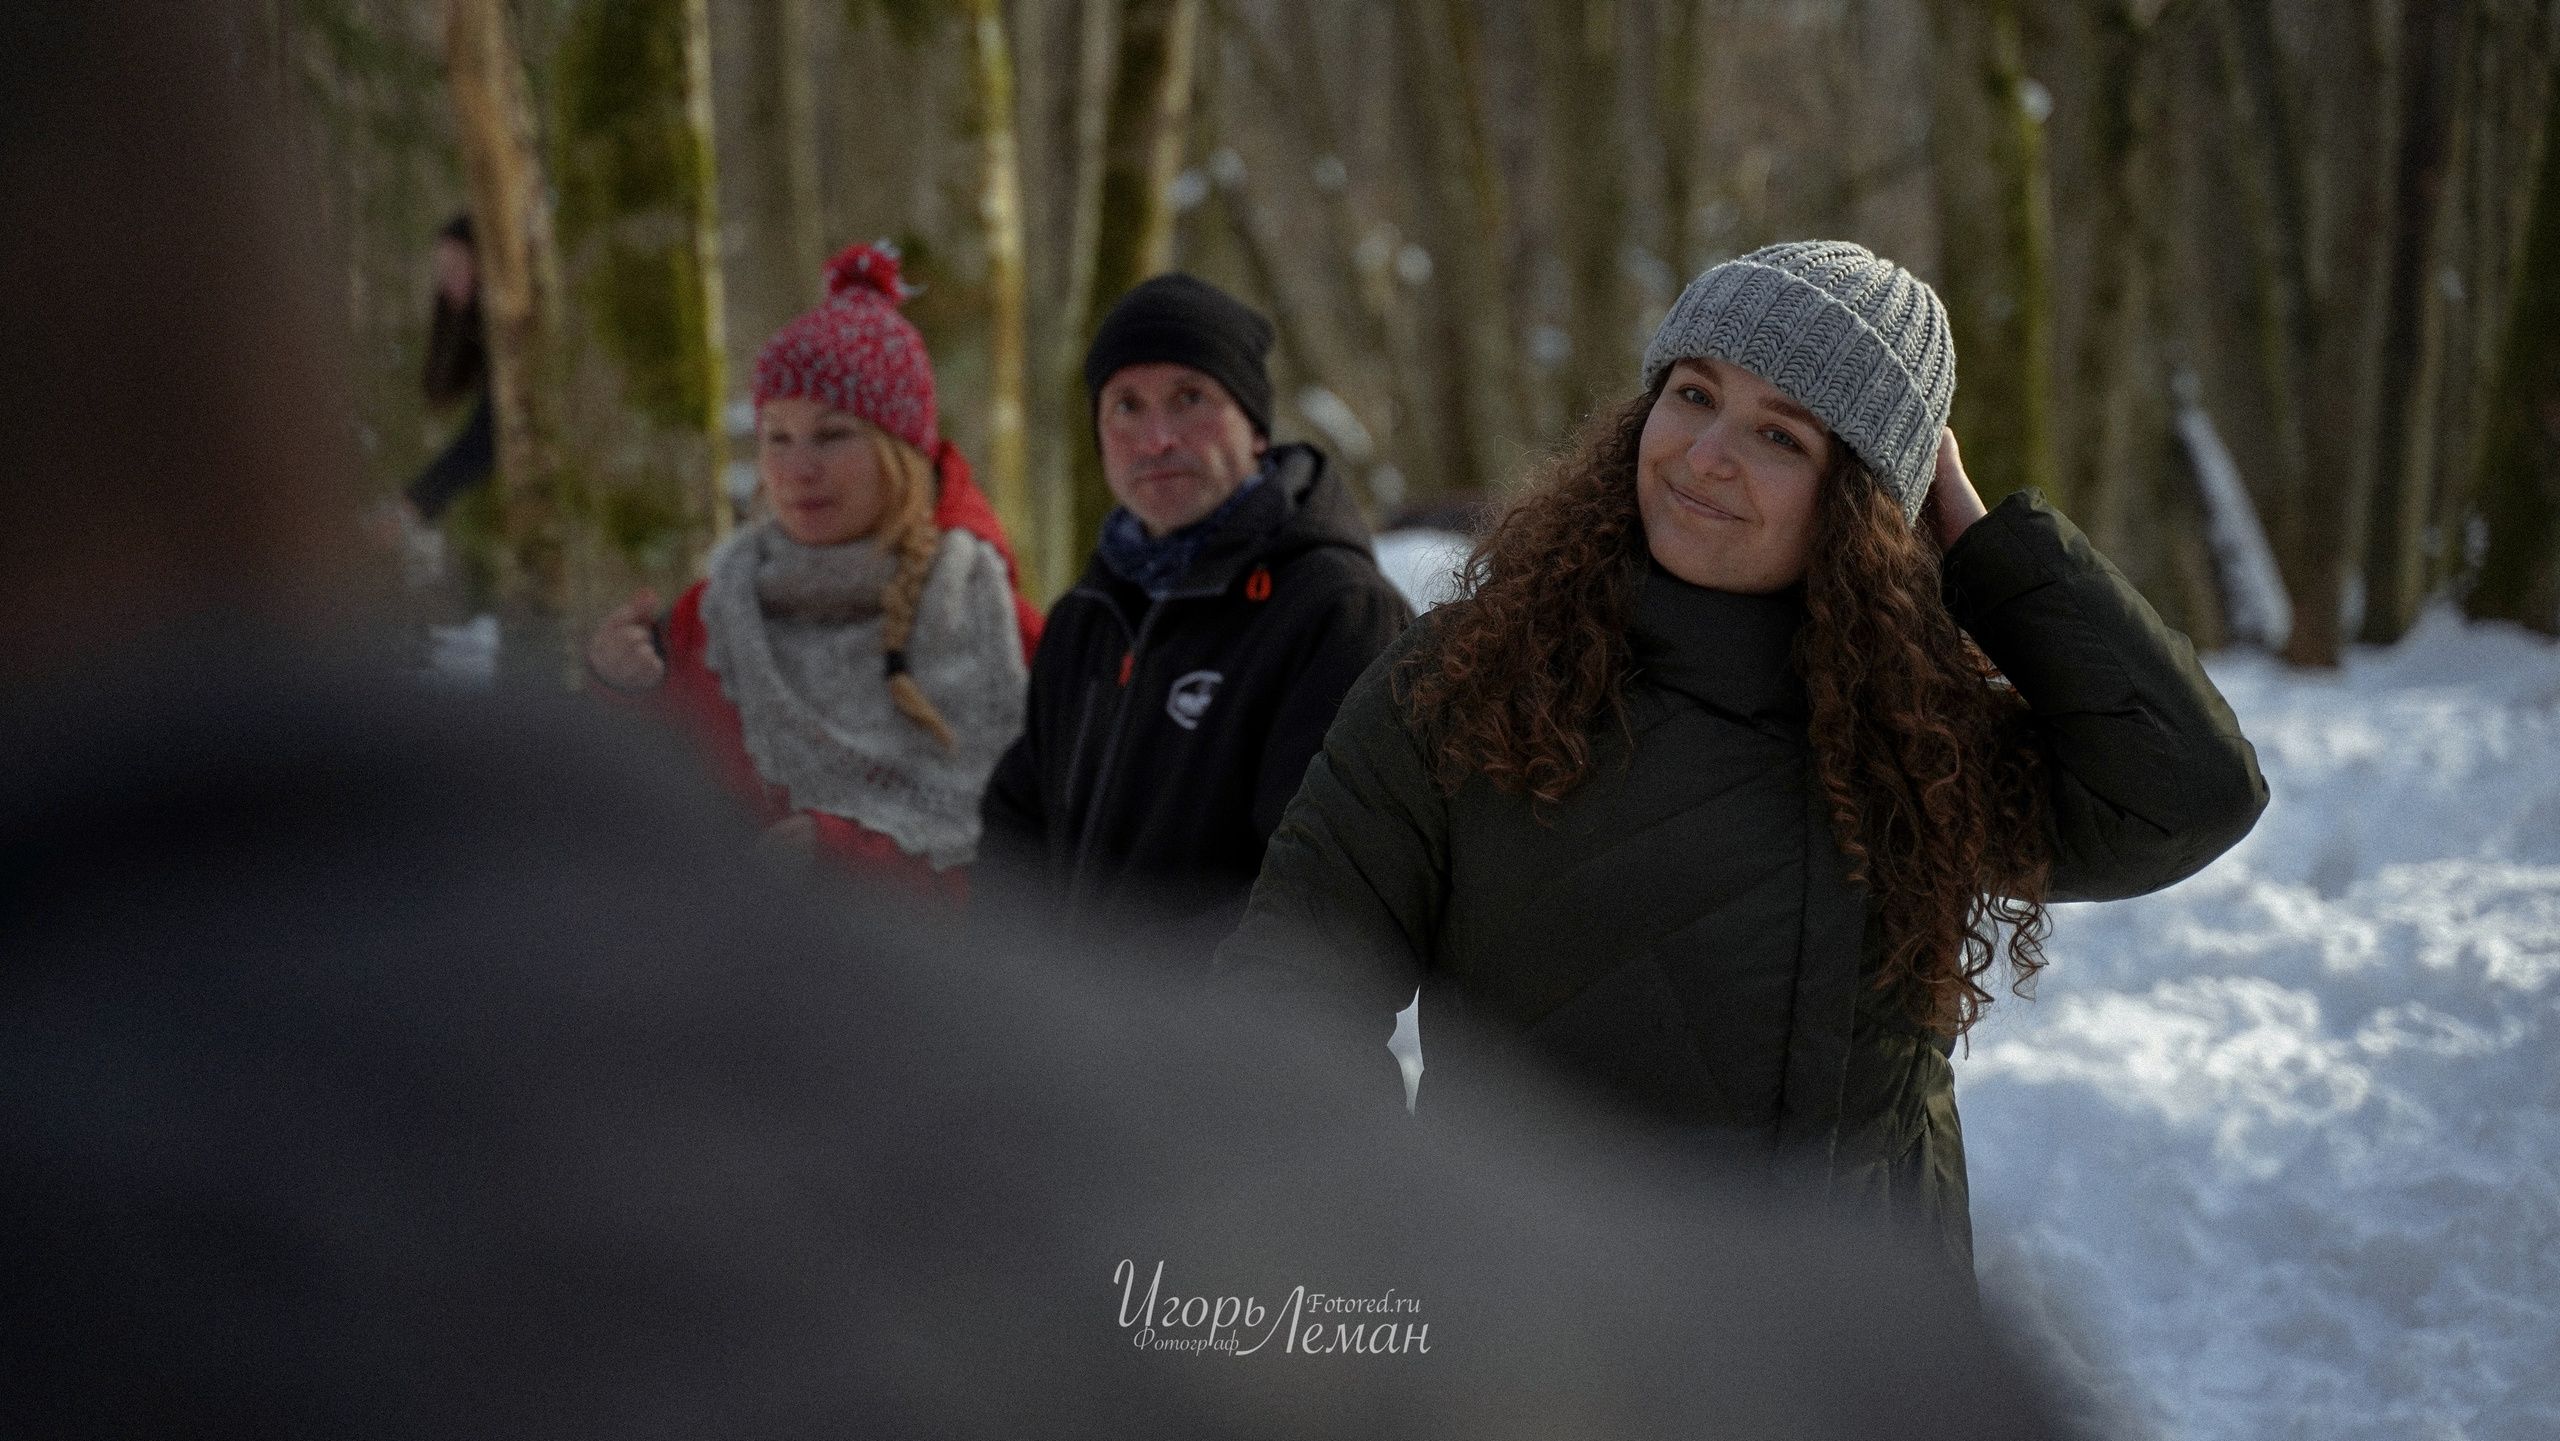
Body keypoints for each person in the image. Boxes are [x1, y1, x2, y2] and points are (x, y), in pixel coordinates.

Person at [1212, 241, 2270, 1277]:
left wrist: (1991, 549)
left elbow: (2189, 791)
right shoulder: (1463, 679)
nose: (1706, 453)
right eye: (1691, 394)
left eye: (1781, 434)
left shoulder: (1920, 735)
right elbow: (1291, 1002)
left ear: (1863, 500)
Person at [585, 242, 1043, 901]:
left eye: (832, 436)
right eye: (778, 436)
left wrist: (853, 864)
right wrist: (620, 694)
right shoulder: (704, 621)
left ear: (901, 453)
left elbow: (1039, 880)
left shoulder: (1006, 637)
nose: (799, 470)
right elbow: (631, 823)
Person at [978, 274, 1411, 958]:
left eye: (1189, 398)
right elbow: (1014, 836)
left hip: (1232, 1054)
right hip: (1059, 1046)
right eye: (1126, 405)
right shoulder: (1085, 617)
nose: (1156, 439)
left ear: (1255, 428)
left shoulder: (1338, 612)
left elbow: (1327, 899)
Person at [405, 213, 496, 525]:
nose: (447, 280)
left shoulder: (505, 328)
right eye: (442, 270)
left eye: (456, 266)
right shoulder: (471, 326)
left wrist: (414, 503)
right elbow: (440, 385)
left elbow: (485, 438)